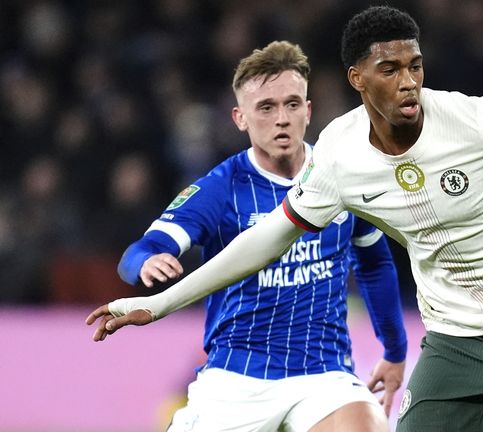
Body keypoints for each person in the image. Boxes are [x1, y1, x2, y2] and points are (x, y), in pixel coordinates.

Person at [87, 7, 483, 432]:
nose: (408, 82)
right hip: (457, 336)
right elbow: (266, 239)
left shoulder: (477, 120)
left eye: (415, 65)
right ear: (358, 78)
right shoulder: (338, 157)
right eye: (389, 69)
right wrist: (160, 303)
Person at [95, 41, 408, 432]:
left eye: (293, 104)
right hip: (237, 376)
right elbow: (139, 251)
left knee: (368, 425)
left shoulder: (341, 176)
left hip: (324, 375)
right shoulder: (220, 189)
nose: (282, 118)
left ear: (308, 111)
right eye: (266, 107)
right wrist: (147, 261)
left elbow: (375, 264)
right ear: (240, 118)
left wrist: (395, 350)